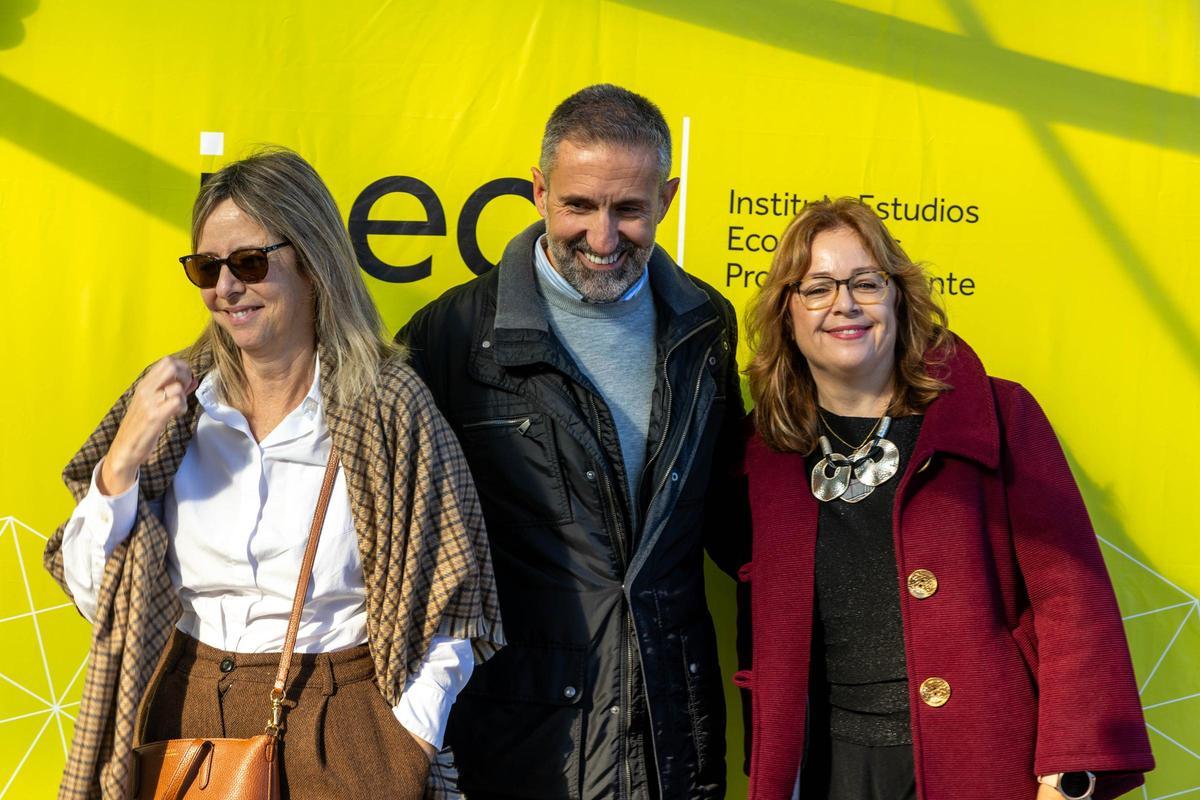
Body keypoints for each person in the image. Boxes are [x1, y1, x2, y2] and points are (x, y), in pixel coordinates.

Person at [44, 147, 503, 800]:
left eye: (250, 263)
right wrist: (120, 464)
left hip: (342, 728)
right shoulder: (173, 407)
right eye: (207, 268)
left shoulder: (386, 404)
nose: (226, 288)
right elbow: (99, 600)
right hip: (186, 719)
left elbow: (451, 603)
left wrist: (406, 745)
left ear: (312, 263)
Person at [736, 197, 1153, 799]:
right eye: (818, 288)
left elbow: (1071, 598)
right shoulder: (762, 451)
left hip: (981, 756)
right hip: (826, 768)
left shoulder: (997, 415)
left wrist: (1069, 774)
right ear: (787, 313)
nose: (844, 304)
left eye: (866, 283)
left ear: (899, 298)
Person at [397, 84, 745, 799]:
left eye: (629, 210)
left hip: (671, 734)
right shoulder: (450, 338)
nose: (604, 238)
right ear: (538, 191)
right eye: (579, 206)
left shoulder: (706, 324)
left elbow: (733, 521)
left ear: (668, 199)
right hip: (521, 747)